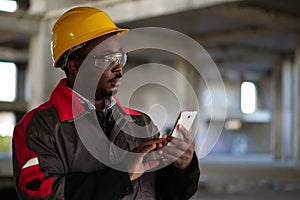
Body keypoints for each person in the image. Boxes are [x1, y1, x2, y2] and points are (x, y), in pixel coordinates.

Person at [12, 6, 200, 200]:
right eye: (106, 59)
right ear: (75, 66)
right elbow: (40, 194)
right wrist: (122, 176)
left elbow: (165, 194)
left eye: (119, 57)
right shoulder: (39, 127)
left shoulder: (141, 123)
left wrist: (183, 168)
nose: (118, 68)